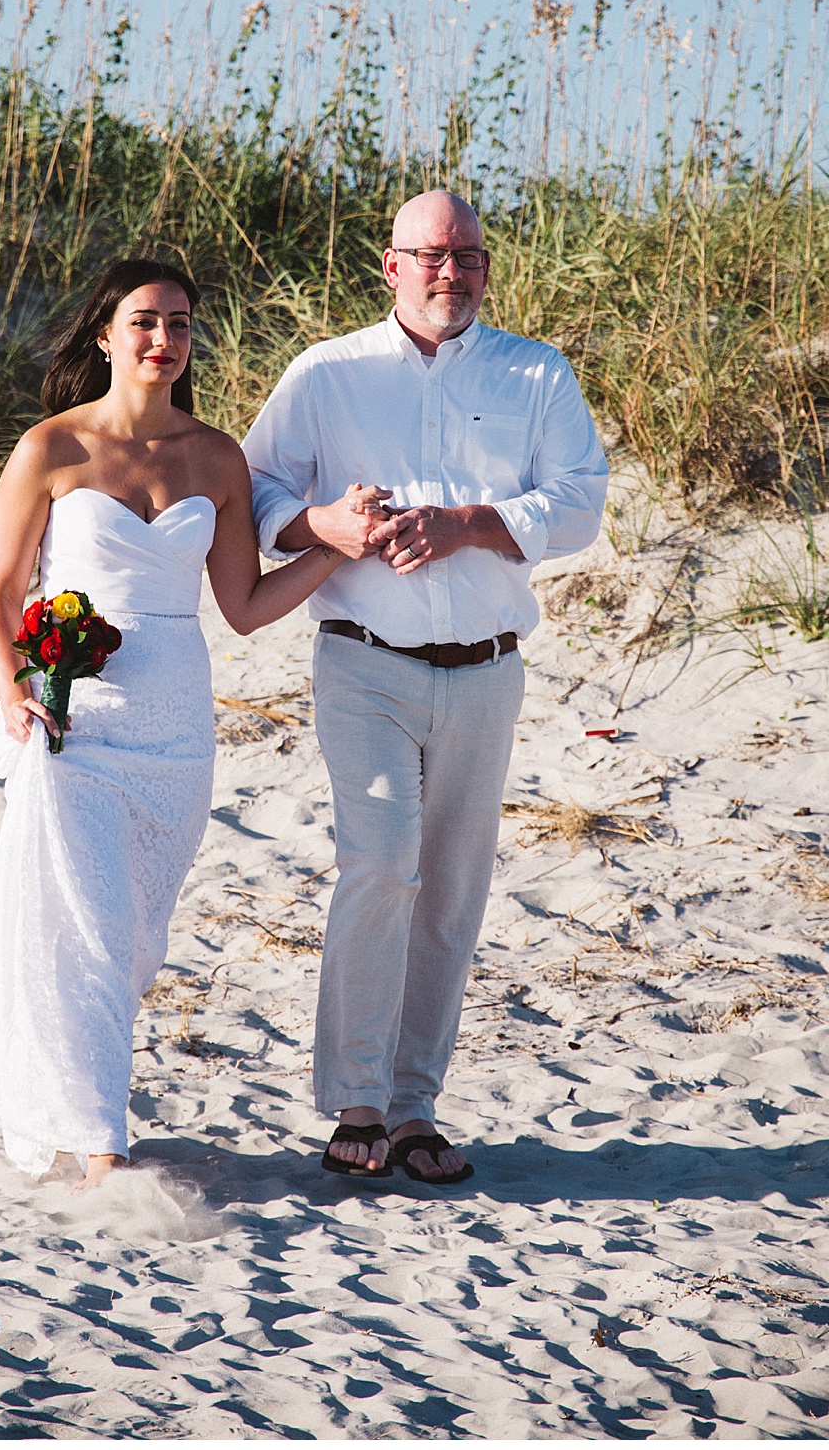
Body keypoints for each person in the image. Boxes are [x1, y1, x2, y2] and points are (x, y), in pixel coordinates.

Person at [0, 256, 375, 1187]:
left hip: (177, 726)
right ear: (105, 335)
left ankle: (79, 1098)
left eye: (180, 324)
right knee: (92, 928)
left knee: (134, 934)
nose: (164, 340)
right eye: (145, 321)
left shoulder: (216, 457)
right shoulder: (50, 450)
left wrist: (336, 550)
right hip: (78, 718)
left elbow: (246, 604)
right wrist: (14, 689)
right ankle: (105, 1141)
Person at [243, 190, 608, 1185]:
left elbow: (580, 500)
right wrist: (328, 525)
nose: (453, 273)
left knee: (451, 889)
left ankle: (413, 1108)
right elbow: (254, 488)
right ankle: (356, 1098)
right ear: (391, 264)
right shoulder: (328, 373)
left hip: (488, 670)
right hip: (364, 659)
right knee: (381, 864)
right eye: (432, 255)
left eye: (470, 256)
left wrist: (468, 523)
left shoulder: (536, 370)